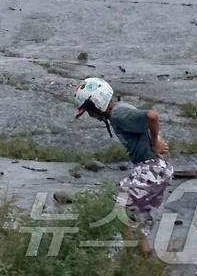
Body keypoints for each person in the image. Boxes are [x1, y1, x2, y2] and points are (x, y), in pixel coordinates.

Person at [74, 76, 173, 255]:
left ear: (97, 105)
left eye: (89, 111)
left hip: (151, 168)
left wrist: (154, 143)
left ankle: (121, 256)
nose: (90, 115)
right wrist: (155, 138)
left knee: (118, 209)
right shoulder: (120, 109)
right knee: (137, 212)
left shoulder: (118, 115)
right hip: (155, 169)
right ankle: (143, 255)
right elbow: (144, 124)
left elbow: (152, 116)